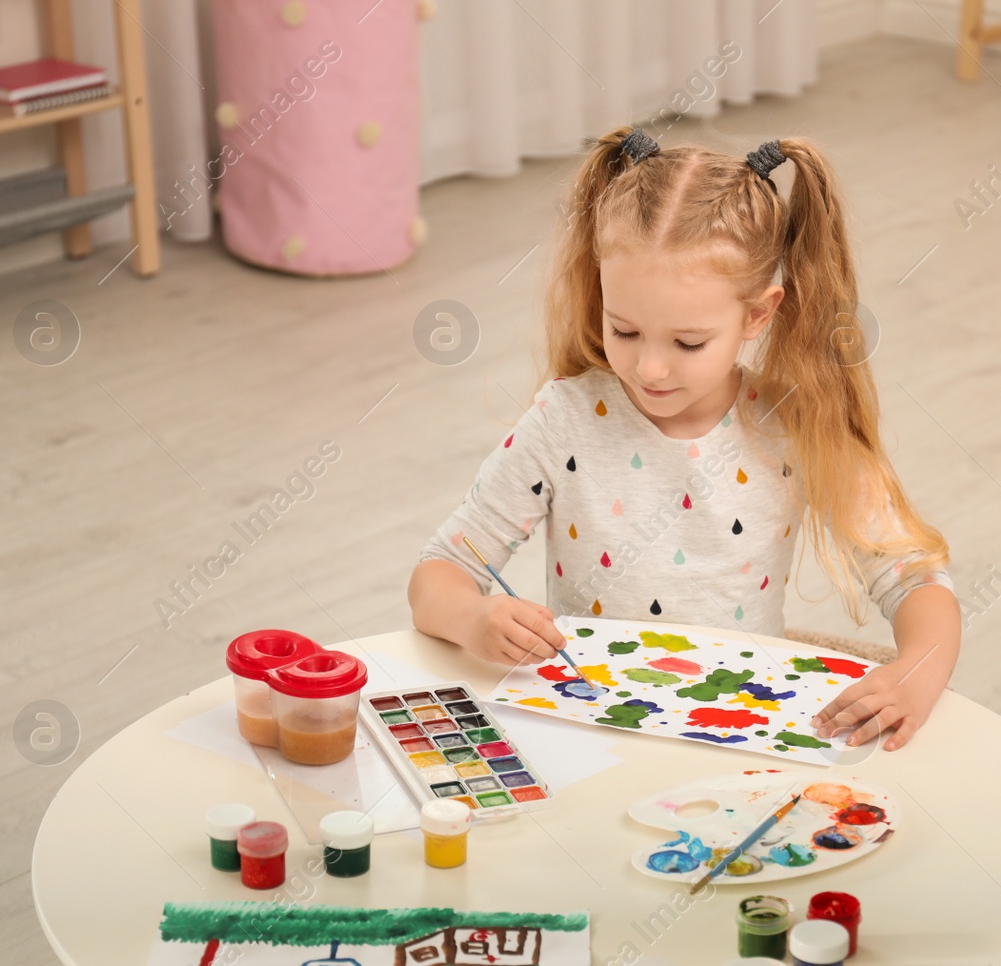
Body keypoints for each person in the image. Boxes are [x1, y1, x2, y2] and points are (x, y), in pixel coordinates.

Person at [409, 125, 960, 752]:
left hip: (737, 730)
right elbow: (443, 571)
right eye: (624, 330)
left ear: (758, 313)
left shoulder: (794, 423)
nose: (649, 369)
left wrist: (914, 674)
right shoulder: (563, 417)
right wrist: (471, 617)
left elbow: (916, 580)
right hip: (587, 727)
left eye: (688, 343)